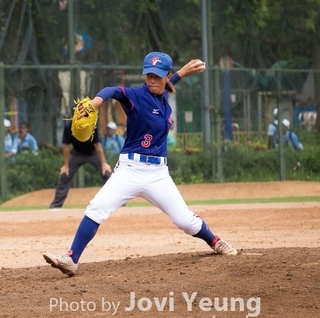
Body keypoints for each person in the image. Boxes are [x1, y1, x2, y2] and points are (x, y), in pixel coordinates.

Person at [43, 52, 237, 277]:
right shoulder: (135, 96)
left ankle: (214, 240)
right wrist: (96, 103)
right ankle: (71, 259)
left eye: (158, 75)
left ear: (166, 76)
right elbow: (113, 90)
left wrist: (183, 72)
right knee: (97, 207)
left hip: (158, 174)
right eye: (149, 75)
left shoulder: (163, 93)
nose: (152, 80)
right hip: (130, 169)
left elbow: (169, 85)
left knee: (185, 221)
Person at [49, 114, 112, 209]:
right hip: (76, 154)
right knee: (65, 174)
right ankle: (56, 204)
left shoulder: (91, 124)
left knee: (106, 172)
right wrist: (66, 166)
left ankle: (117, 202)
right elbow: (66, 146)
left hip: (92, 153)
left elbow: (97, 145)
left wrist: (104, 164)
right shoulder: (69, 126)